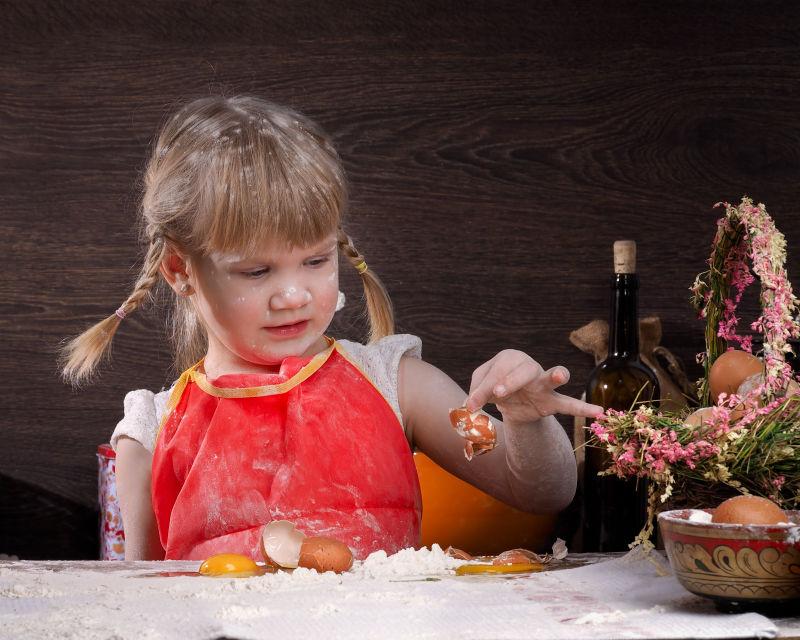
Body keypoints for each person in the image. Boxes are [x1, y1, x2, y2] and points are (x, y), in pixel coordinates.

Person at [61, 95, 602, 562]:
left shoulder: (398, 386)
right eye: (256, 271)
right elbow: (139, 597)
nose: (293, 294)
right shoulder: (153, 433)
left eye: (316, 261)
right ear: (181, 272)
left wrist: (527, 424)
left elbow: (539, 492)